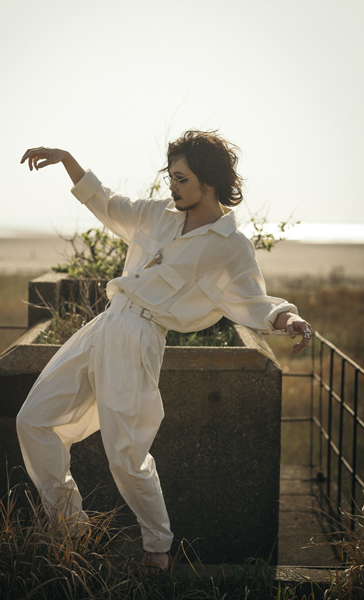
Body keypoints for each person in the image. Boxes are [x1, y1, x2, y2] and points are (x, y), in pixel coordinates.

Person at [16, 130, 313, 574]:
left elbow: (253, 300)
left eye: (181, 179)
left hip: (139, 337)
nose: (172, 186)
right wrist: (67, 160)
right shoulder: (159, 215)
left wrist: (288, 318)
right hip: (106, 323)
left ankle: (157, 549)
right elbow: (108, 203)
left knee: (126, 454)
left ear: (208, 182)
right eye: (170, 176)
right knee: (33, 420)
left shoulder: (229, 245)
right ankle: (69, 531)